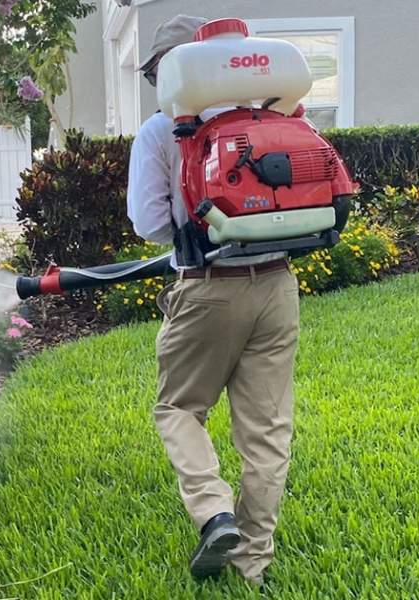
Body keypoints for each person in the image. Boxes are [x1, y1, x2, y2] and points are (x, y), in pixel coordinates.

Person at [126, 14, 301, 589]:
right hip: (278, 286)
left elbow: (150, 222)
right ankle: (254, 563)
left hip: (207, 290)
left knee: (178, 408)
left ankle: (213, 512)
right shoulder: (275, 115)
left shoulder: (161, 132)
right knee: (267, 430)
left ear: (169, 71)